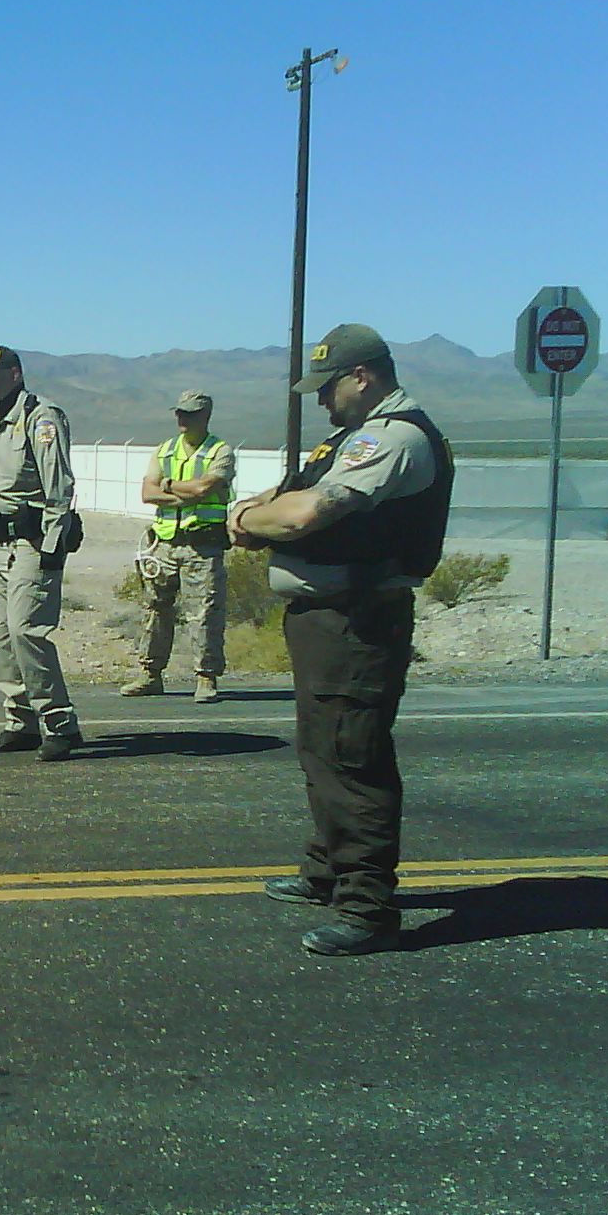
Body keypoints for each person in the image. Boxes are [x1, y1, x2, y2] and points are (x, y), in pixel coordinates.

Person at [228, 324, 452, 957]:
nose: (322, 402)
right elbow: (288, 495)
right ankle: (327, 870)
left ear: (363, 377)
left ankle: (366, 905)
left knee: (352, 758)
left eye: (328, 388)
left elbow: (302, 513)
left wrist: (246, 520)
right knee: (322, 750)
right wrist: (265, 509)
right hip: (327, 619)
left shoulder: (393, 437)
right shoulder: (350, 438)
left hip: (356, 621)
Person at [0, 345, 83, 761]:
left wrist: (53, 546)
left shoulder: (41, 417)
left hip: (31, 545)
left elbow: (59, 488)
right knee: (1, 635)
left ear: (15, 375)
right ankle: (20, 722)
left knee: (26, 631)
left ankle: (59, 723)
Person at [123, 389, 236, 703]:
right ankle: (150, 673)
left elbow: (203, 488)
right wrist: (181, 493)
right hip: (165, 545)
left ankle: (206, 676)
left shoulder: (220, 451)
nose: (181, 418)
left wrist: (169, 486)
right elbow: (147, 492)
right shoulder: (166, 450)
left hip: (202, 545)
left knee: (204, 612)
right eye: (179, 412)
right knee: (156, 608)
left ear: (205, 415)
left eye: (189, 413)